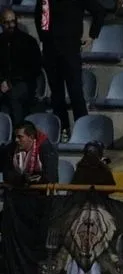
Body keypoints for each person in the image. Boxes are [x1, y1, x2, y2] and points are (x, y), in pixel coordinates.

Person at [35, 0, 106, 140]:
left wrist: (92, 35)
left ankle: (84, 131)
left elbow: (99, 11)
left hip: (70, 49)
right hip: (50, 49)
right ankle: (63, 129)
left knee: (76, 93)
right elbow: (41, 16)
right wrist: (44, 38)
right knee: (57, 95)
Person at [0, 8, 42, 125]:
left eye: (13, 21)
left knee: (14, 96)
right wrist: (2, 81)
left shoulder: (28, 42)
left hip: (24, 83)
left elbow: (34, 68)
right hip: (4, 83)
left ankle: (18, 130)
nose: (11, 25)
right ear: (2, 23)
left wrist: (10, 82)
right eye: (7, 22)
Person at [2, 121, 57, 186]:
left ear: (31, 137)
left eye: (20, 137)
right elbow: (7, 175)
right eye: (15, 137)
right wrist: (24, 179)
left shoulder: (46, 149)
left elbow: (51, 178)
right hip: (17, 190)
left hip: (40, 192)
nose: (16, 140)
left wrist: (33, 179)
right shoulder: (11, 148)